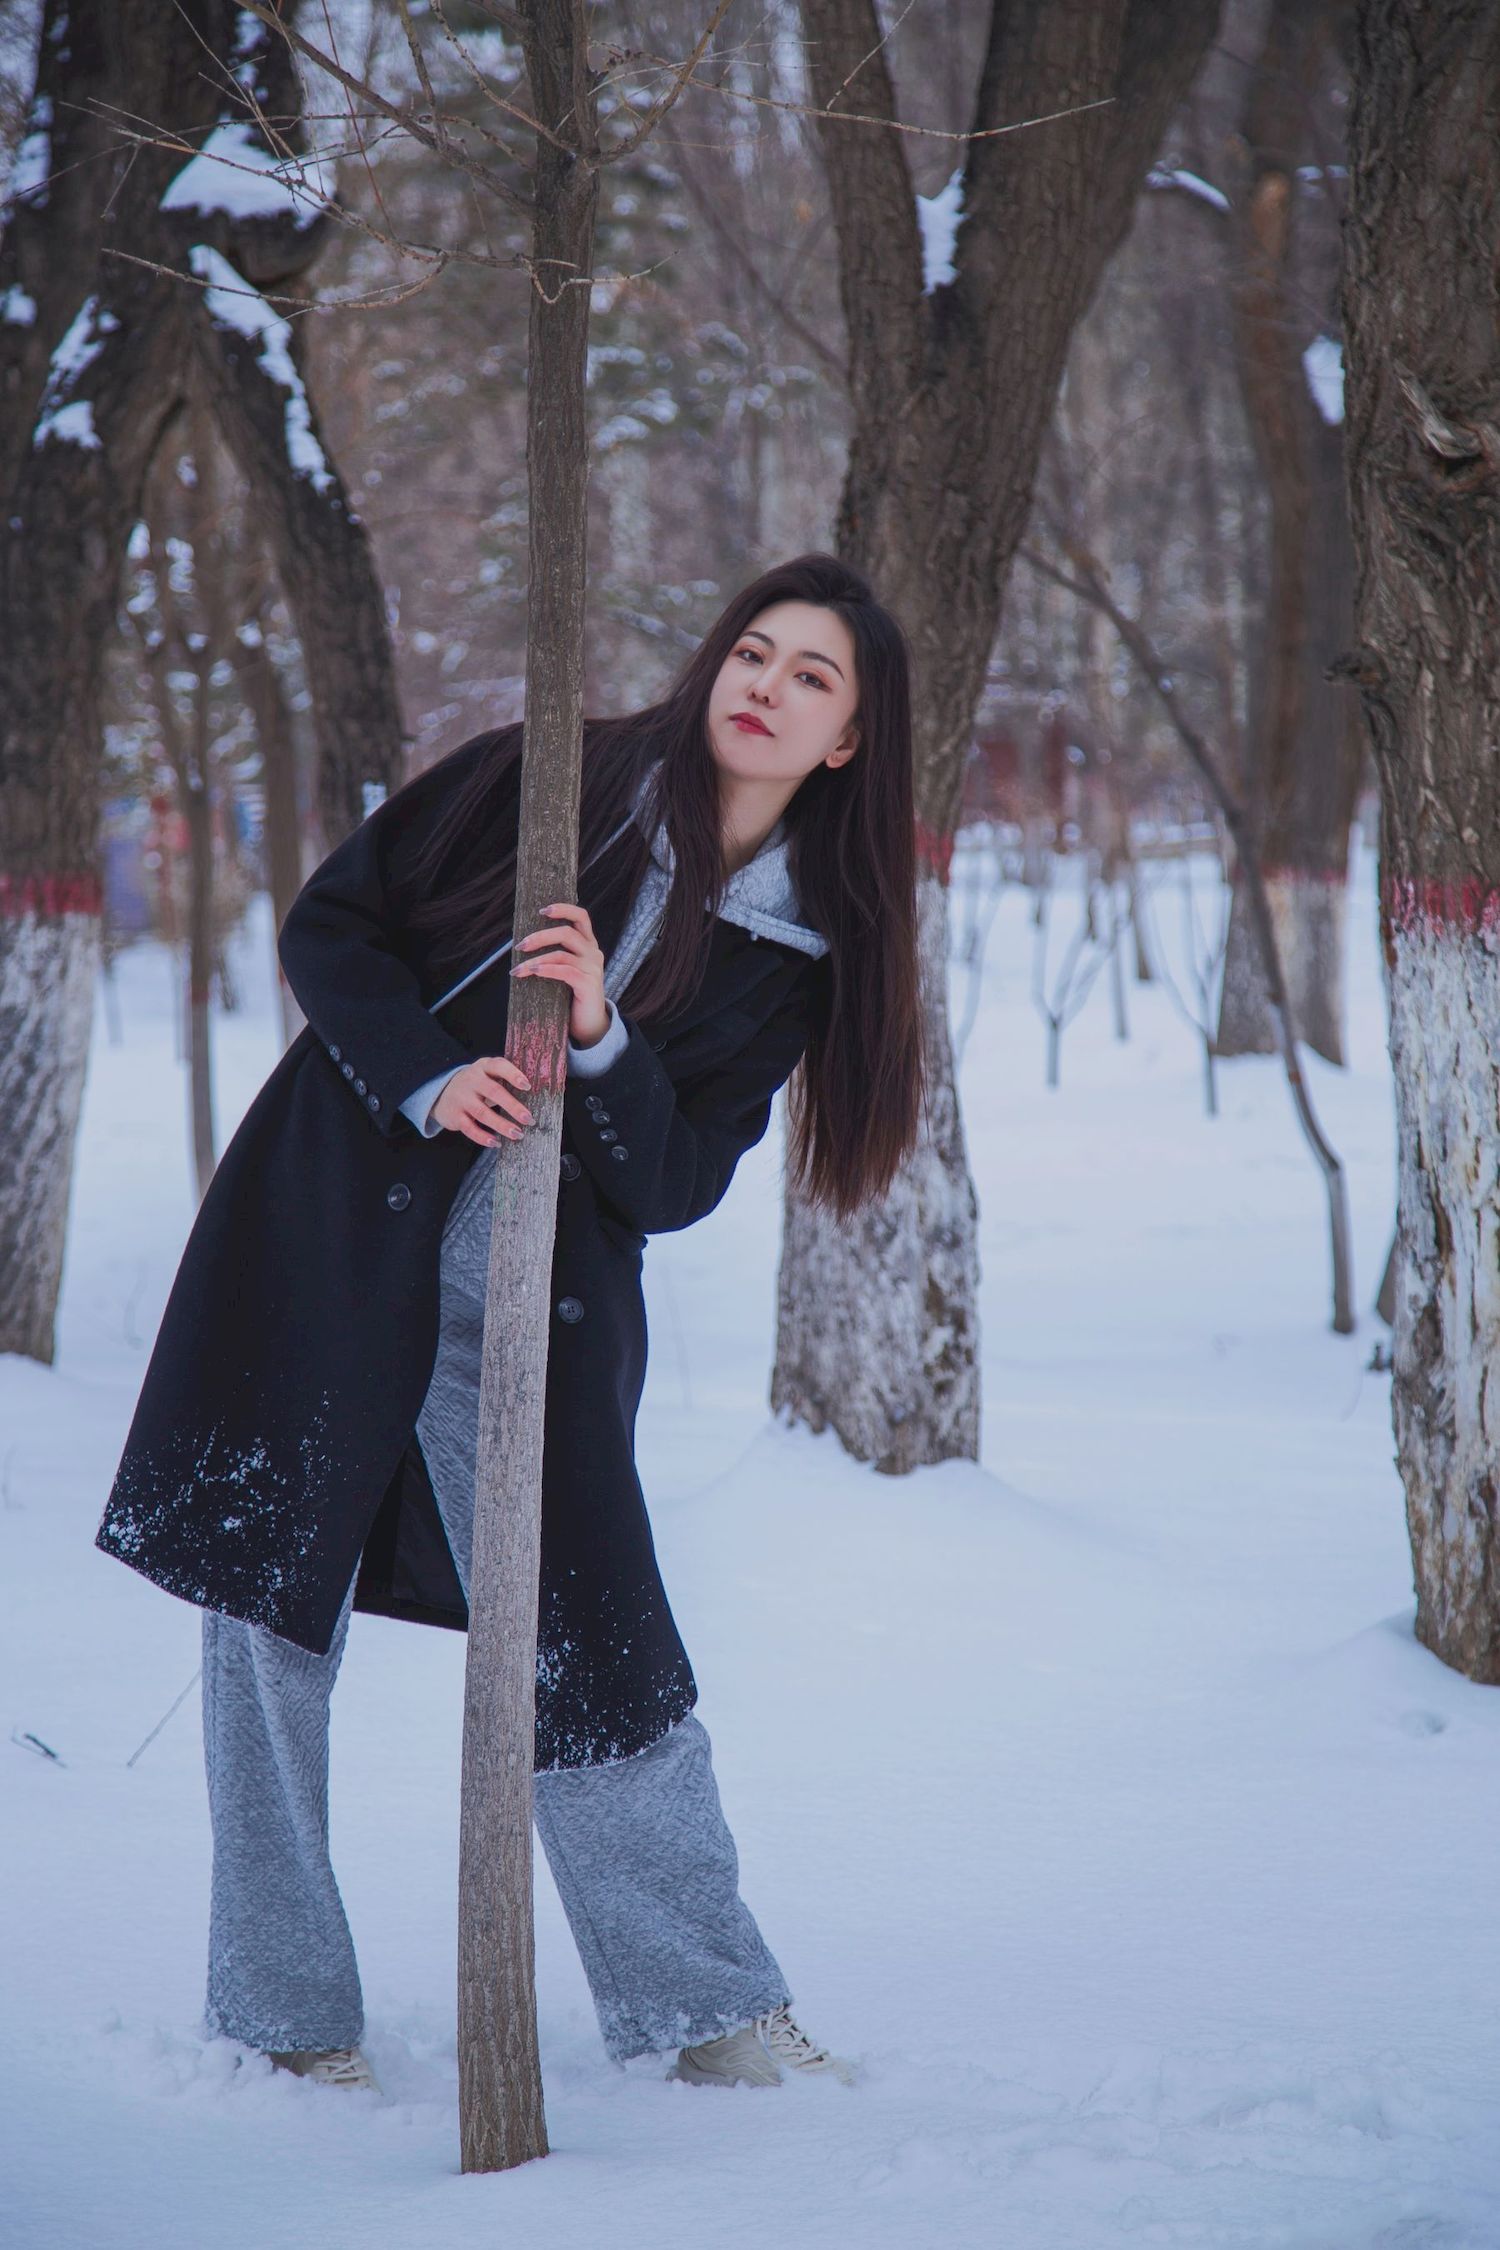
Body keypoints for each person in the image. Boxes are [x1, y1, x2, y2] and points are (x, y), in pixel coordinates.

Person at [96, 551, 925, 2094]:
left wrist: (602, 1034)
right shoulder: (554, 785)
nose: (765, 685)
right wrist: (423, 1074)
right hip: (332, 1246)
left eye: (813, 677)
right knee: (265, 1625)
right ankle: (288, 2019)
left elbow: (676, 1182)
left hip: (528, 1328)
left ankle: (713, 2012)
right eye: (754, 650)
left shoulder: (790, 956)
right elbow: (333, 925)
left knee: (597, 1652)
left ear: (846, 743)